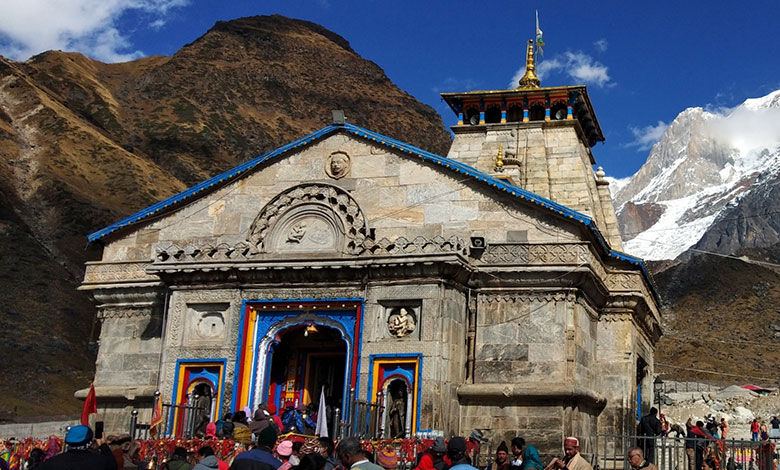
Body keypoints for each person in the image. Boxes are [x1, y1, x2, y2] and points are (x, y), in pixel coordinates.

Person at [40, 425, 116, 470]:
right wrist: (103, 445)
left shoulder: (52, 463)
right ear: (89, 442)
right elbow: (112, 466)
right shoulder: (99, 461)